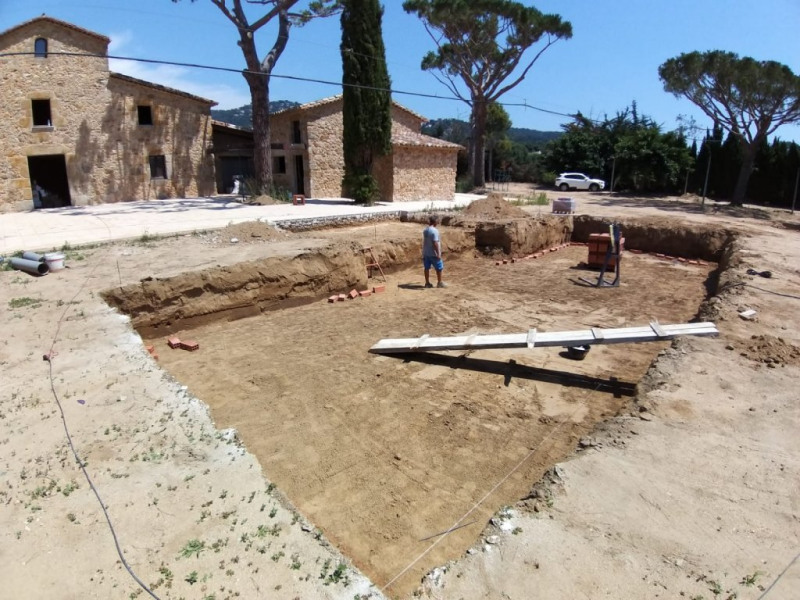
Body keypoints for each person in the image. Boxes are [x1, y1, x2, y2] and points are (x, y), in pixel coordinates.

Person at [422, 215, 447, 288]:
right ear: (435, 221)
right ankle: (439, 282)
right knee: (439, 268)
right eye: (438, 221)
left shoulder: (425, 230)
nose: (438, 222)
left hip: (426, 252)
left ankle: (427, 283)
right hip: (433, 253)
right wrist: (438, 253)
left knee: (426, 268)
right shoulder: (434, 231)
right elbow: (435, 243)